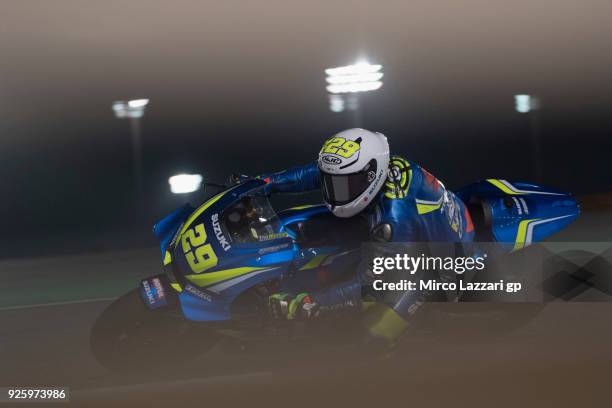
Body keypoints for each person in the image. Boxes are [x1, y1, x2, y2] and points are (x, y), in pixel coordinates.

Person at [250, 128, 475, 342]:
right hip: (417, 230)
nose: (335, 191)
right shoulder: (374, 165)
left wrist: (311, 302)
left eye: (345, 185)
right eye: (333, 183)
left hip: (438, 267)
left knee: (371, 334)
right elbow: (315, 174)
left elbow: (370, 286)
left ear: (371, 175)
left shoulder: (394, 216)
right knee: (315, 230)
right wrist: (264, 183)